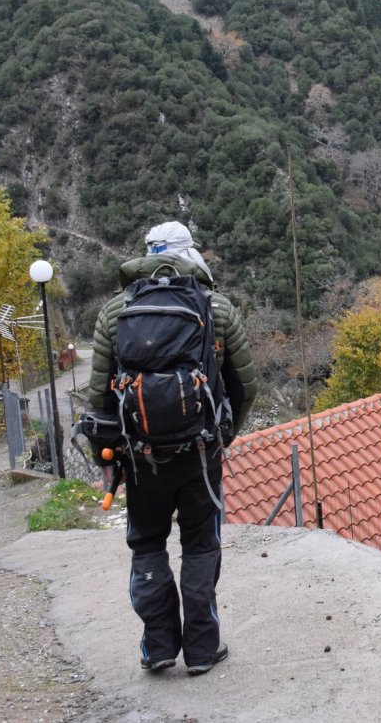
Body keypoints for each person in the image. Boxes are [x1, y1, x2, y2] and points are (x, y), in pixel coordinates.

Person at [86, 221, 258, 675]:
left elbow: (99, 399)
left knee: (147, 546)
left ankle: (157, 646)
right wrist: (224, 436)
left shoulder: (114, 312)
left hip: (141, 459)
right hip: (200, 456)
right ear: (191, 254)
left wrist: (107, 456)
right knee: (201, 547)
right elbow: (245, 387)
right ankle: (202, 650)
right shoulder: (216, 308)